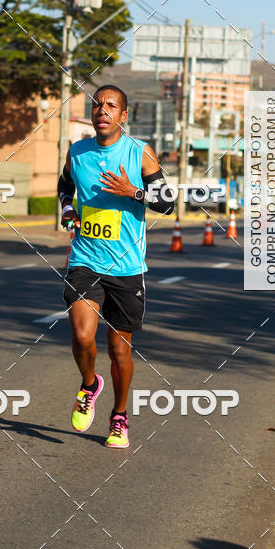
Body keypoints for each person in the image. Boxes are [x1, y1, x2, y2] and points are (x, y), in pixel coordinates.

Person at [57, 84, 174, 449]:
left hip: (127, 268)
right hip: (85, 261)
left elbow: (168, 203)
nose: (102, 110)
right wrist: (68, 210)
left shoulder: (139, 154)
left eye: (111, 106)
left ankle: (119, 416)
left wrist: (134, 192)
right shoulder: (77, 152)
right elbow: (64, 188)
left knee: (120, 351)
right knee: (81, 335)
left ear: (124, 115)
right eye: (97, 105)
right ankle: (89, 384)